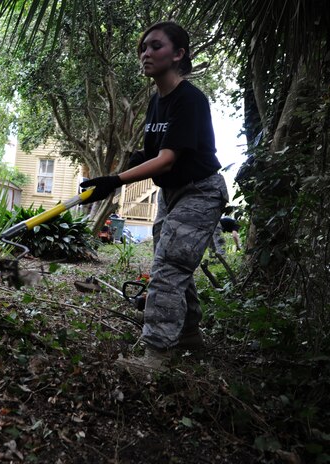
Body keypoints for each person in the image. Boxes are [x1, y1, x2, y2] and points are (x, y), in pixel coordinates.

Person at [79, 21, 229, 374]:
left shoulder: (190, 99)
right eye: (144, 47)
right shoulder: (155, 102)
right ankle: (189, 335)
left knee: (168, 266)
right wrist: (134, 164)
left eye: (156, 46)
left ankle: (155, 358)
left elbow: (167, 158)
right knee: (177, 263)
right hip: (172, 192)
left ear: (178, 54)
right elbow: (154, 155)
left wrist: (113, 180)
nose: (146, 53)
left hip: (201, 191)